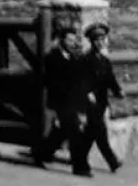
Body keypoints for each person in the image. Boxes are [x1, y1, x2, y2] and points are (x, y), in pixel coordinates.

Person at [33, 21, 93, 177]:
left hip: (72, 102)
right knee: (75, 133)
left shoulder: (74, 58)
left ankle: (42, 153)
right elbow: (51, 83)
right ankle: (80, 166)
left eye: (74, 41)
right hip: (61, 101)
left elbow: (78, 82)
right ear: (61, 40)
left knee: (59, 134)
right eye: (69, 40)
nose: (72, 43)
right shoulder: (52, 58)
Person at [79, 24, 125, 173]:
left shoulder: (104, 60)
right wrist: (87, 93)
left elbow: (110, 79)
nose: (100, 42)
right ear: (92, 42)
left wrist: (118, 91)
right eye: (97, 40)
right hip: (91, 102)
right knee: (99, 132)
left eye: (102, 39)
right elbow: (81, 80)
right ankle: (112, 161)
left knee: (92, 134)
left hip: (101, 101)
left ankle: (80, 158)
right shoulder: (86, 59)